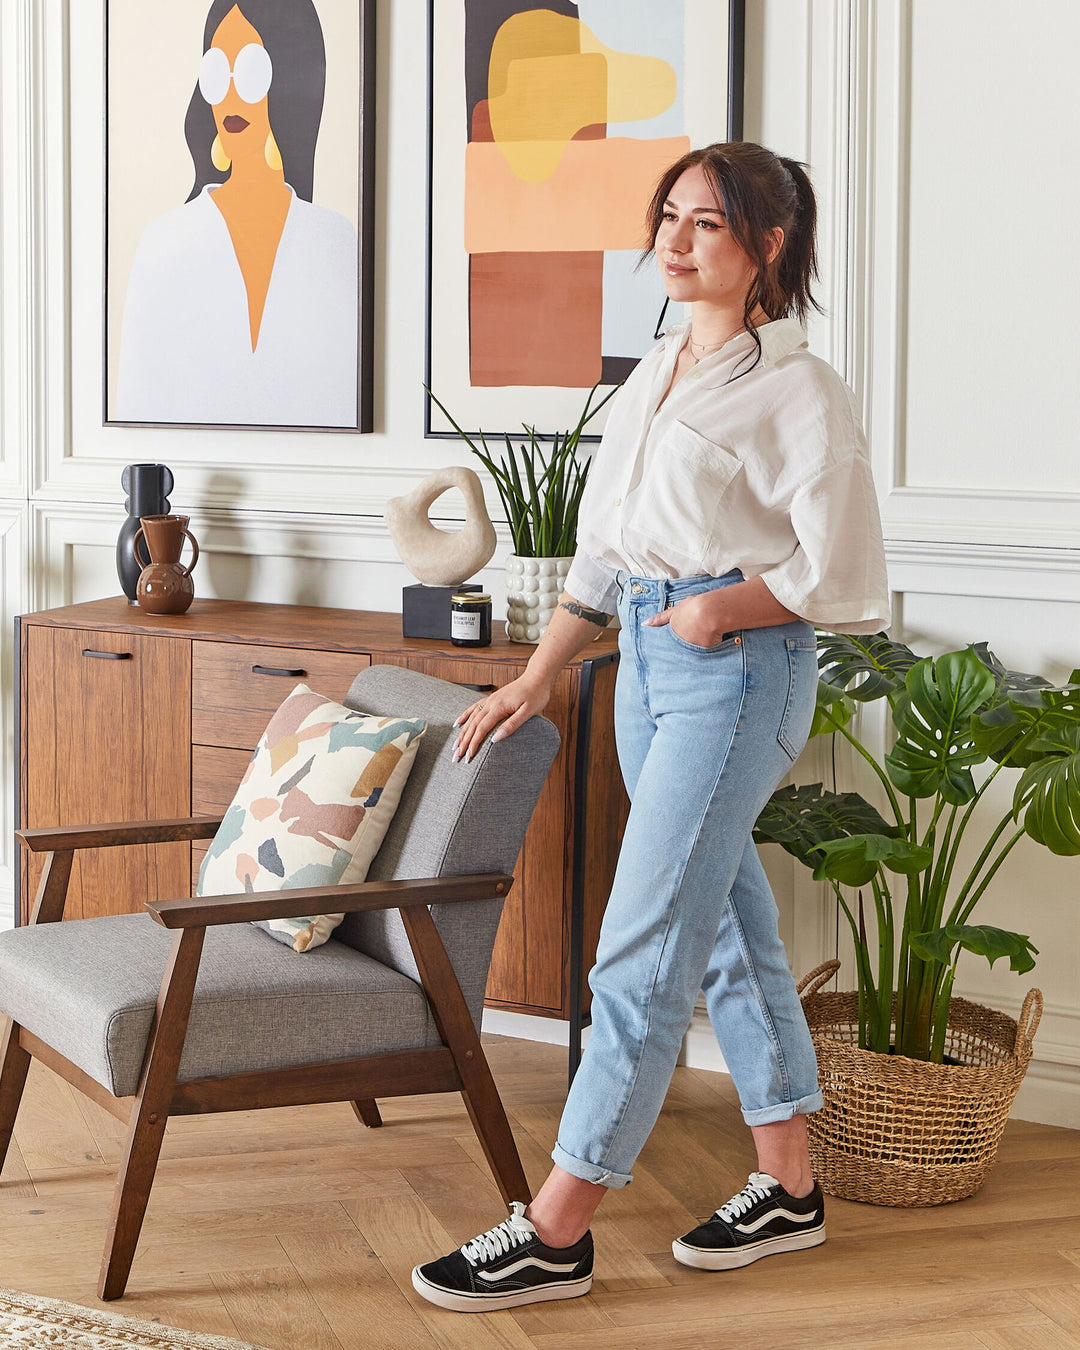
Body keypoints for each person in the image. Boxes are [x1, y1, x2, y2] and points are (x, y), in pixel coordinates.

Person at [411, 141, 890, 1313]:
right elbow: (607, 552)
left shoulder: (801, 392)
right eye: (668, 218)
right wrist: (537, 678)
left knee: (642, 941)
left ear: (768, 247)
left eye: (706, 226)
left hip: (736, 675)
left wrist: (722, 607)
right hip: (641, 670)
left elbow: (849, 577)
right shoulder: (657, 370)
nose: (673, 243)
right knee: (723, 928)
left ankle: (560, 1224)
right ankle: (789, 1185)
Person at [115, 0, 358, 428]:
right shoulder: (163, 244)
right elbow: (138, 416)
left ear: (288, 77)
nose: (229, 94)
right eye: (215, 72)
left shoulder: (337, 243)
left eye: (249, 71)